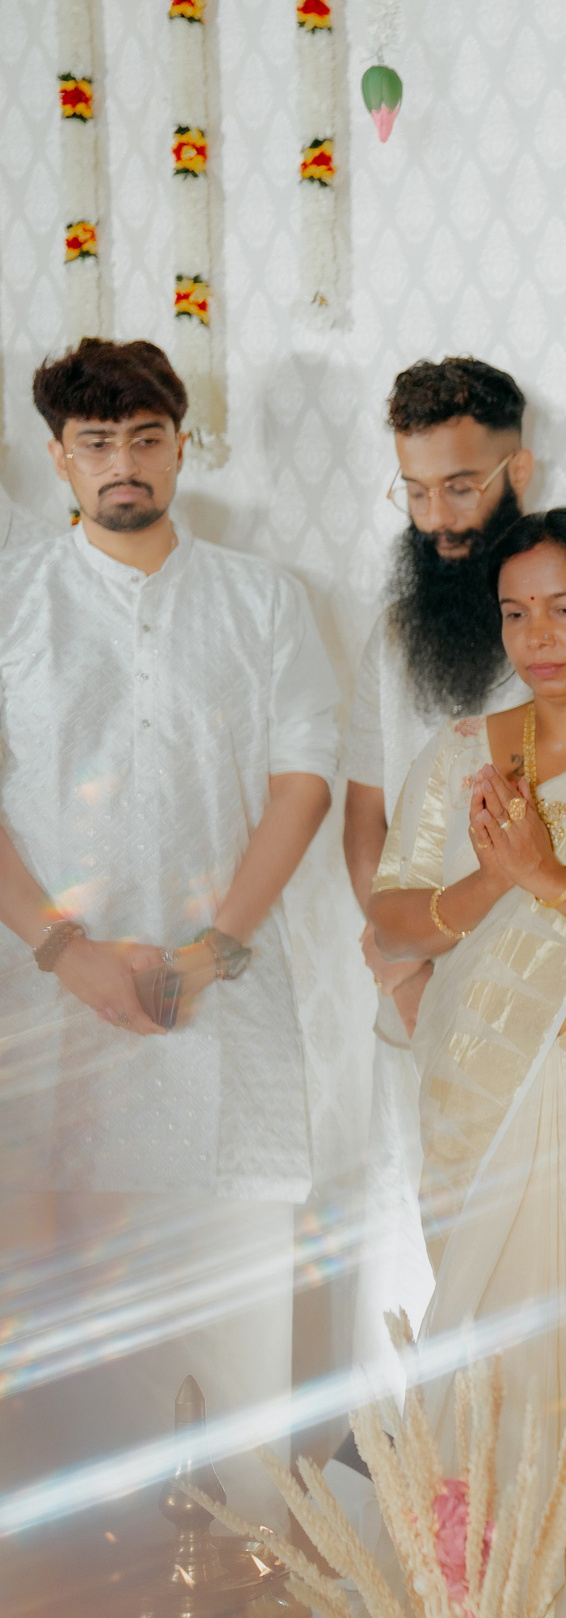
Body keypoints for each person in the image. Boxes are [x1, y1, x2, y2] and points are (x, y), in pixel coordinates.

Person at [0, 338, 338, 1528]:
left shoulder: (261, 598)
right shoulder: (12, 600)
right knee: (73, 1336)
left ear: (182, 447)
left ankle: (250, 1588)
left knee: (241, 1324)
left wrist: (214, 948)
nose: (124, 464)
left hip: (226, 1008)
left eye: (147, 438)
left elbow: (302, 785)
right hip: (55, 1014)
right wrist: (67, 954)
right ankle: (97, 1595)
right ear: (60, 458)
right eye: (97, 444)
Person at [367, 507, 566, 1618]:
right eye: (514, 613)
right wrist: (499, 878)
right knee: (485, 1365)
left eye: (565, 608)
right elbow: (395, 918)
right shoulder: (463, 752)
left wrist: (545, 873)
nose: (536, 636)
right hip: (464, 1097)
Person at [342, 356, 539, 1385]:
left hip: (536, 1008)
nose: (440, 519)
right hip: (413, 997)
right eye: (416, 492)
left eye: (461, 486)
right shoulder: (395, 625)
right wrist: (402, 970)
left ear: (520, 468)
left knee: (530, 1292)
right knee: (424, 1275)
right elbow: (364, 812)